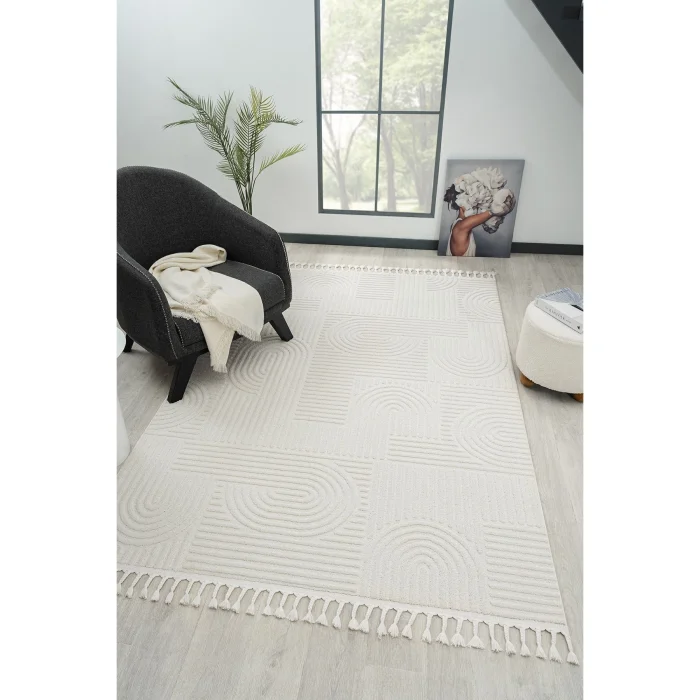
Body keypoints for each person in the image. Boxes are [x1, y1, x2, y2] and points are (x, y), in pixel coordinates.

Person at [442, 172, 516, 257]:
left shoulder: (457, 225)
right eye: (474, 205)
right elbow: (493, 211)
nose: (478, 209)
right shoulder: (461, 227)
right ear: (461, 203)